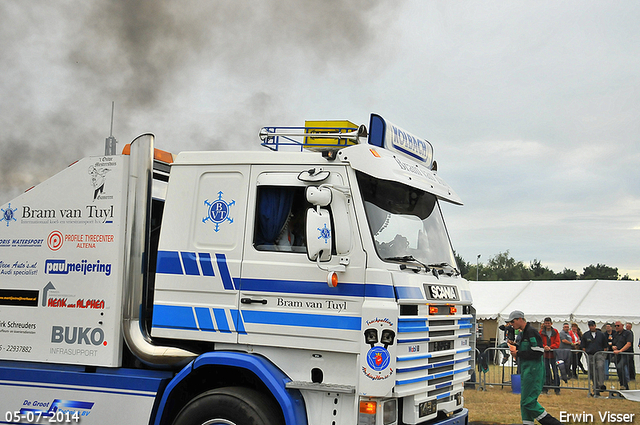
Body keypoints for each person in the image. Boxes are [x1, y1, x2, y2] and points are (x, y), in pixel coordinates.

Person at [507, 310, 562, 425]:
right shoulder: (523, 333)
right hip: (527, 370)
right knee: (524, 402)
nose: (512, 324)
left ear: (520, 319)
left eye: (513, 321)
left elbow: (538, 351)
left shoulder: (531, 332)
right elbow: (528, 348)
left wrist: (518, 354)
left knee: (529, 402)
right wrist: (515, 346)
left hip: (534, 371)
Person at [581, 320, 607, 395]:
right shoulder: (585, 335)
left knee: (600, 367)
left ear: (595, 326)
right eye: (590, 326)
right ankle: (596, 387)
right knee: (592, 371)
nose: (591, 327)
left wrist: (603, 355)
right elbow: (583, 346)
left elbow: (605, 346)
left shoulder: (601, 334)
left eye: (592, 325)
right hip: (590, 355)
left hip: (599, 354)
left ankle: (601, 384)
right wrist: (586, 354)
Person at [539, 317, 561, 394]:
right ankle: (545, 388)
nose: (547, 324)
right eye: (546, 323)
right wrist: (544, 346)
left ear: (551, 323)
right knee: (546, 372)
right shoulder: (541, 332)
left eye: (549, 323)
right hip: (545, 355)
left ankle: (557, 388)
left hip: (554, 354)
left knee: (556, 372)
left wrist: (551, 347)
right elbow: (539, 342)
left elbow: (557, 342)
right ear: (544, 324)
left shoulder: (555, 332)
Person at [612, 321, 633, 390]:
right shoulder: (616, 334)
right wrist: (613, 347)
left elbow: (628, 344)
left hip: (626, 354)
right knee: (619, 369)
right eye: (615, 326)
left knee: (620, 367)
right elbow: (613, 343)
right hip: (618, 355)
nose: (616, 327)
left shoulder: (628, 333)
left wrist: (620, 351)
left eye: (618, 325)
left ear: (622, 325)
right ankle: (624, 385)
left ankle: (624, 384)